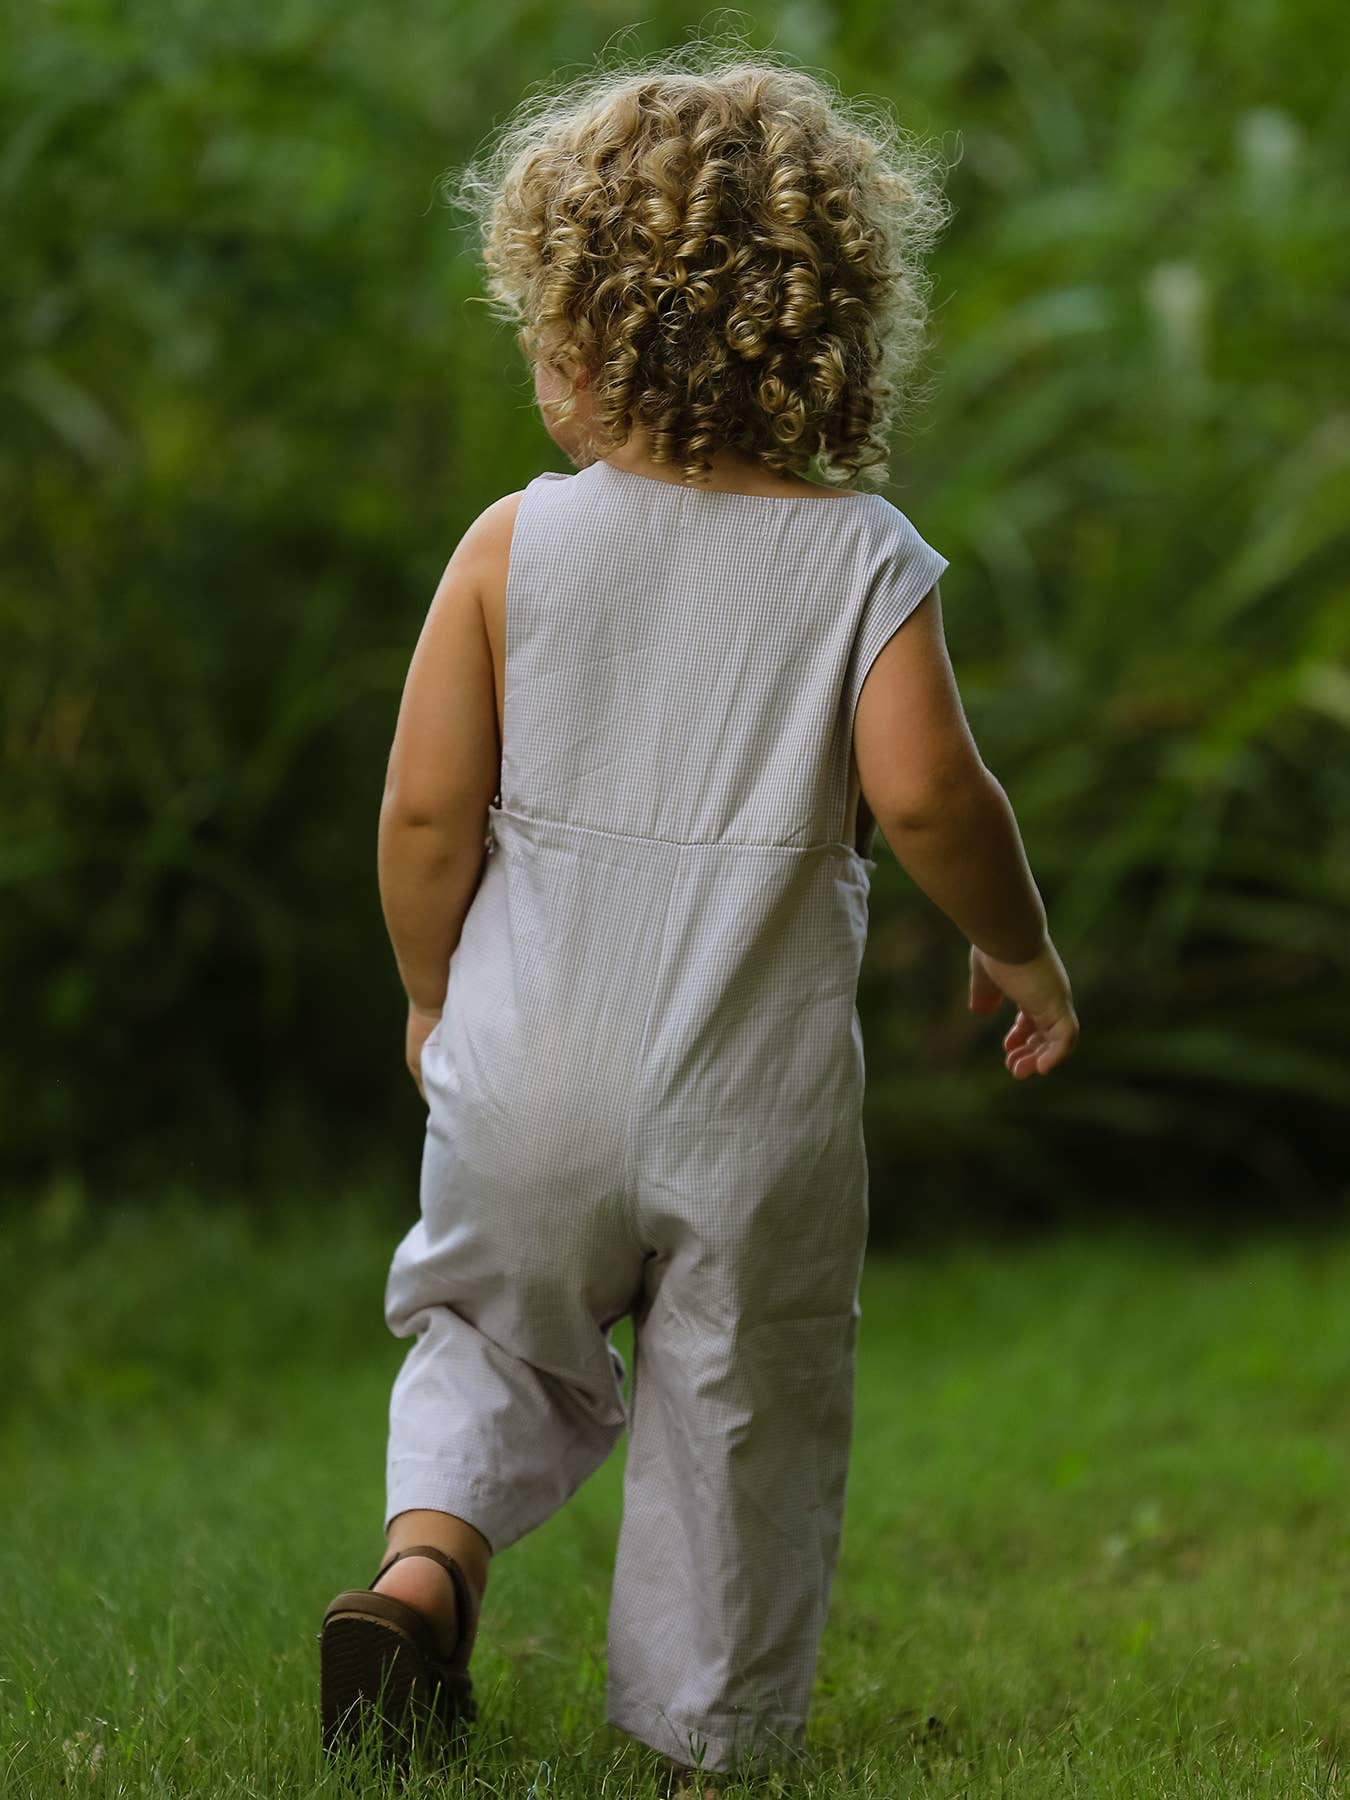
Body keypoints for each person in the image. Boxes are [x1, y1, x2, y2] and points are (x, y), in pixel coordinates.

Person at [317, 41, 1079, 1797]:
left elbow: (424, 811)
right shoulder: (862, 557)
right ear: (821, 333)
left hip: (527, 1070)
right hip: (753, 1107)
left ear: (577, 340)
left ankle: (423, 1576)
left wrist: (435, 992)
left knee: (488, 1330)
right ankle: (701, 1745)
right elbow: (929, 799)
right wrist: (1019, 947)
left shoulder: (515, 543)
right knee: (746, 1395)